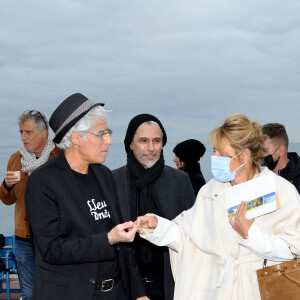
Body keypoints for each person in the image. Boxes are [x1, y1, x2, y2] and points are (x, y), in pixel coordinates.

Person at [136, 114, 300, 300]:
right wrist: (157, 226)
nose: (214, 158)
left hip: (261, 290)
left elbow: (294, 248)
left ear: (245, 155)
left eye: (222, 153)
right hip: (219, 292)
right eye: (214, 150)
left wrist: (251, 235)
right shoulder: (211, 191)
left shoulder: (279, 190)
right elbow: (188, 236)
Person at [24, 93, 146, 300]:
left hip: (115, 293)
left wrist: (139, 293)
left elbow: (123, 244)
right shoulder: (42, 182)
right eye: (102, 134)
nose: (109, 140)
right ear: (76, 138)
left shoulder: (104, 175)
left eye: (108, 132)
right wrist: (108, 239)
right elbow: (52, 249)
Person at [112, 114, 196, 300]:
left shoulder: (180, 181)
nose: (151, 148)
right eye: (143, 141)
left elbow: (192, 233)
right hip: (124, 285)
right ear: (130, 144)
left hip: (170, 285)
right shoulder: (113, 181)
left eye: (156, 141)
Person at [0, 110, 60, 300]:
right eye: (21, 132)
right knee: (29, 293)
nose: (23, 137)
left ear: (43, 133)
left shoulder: (60, 157)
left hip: (54, 237)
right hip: (24, 238)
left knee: (55, 290)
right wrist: (6, 185)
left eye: (28, 132)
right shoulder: (15, 159)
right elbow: (7, 200)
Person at [262, 123, 300, 193]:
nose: (260, 155)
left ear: (281, 150)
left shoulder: (297, 179)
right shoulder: (256, 175)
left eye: (264, 150)